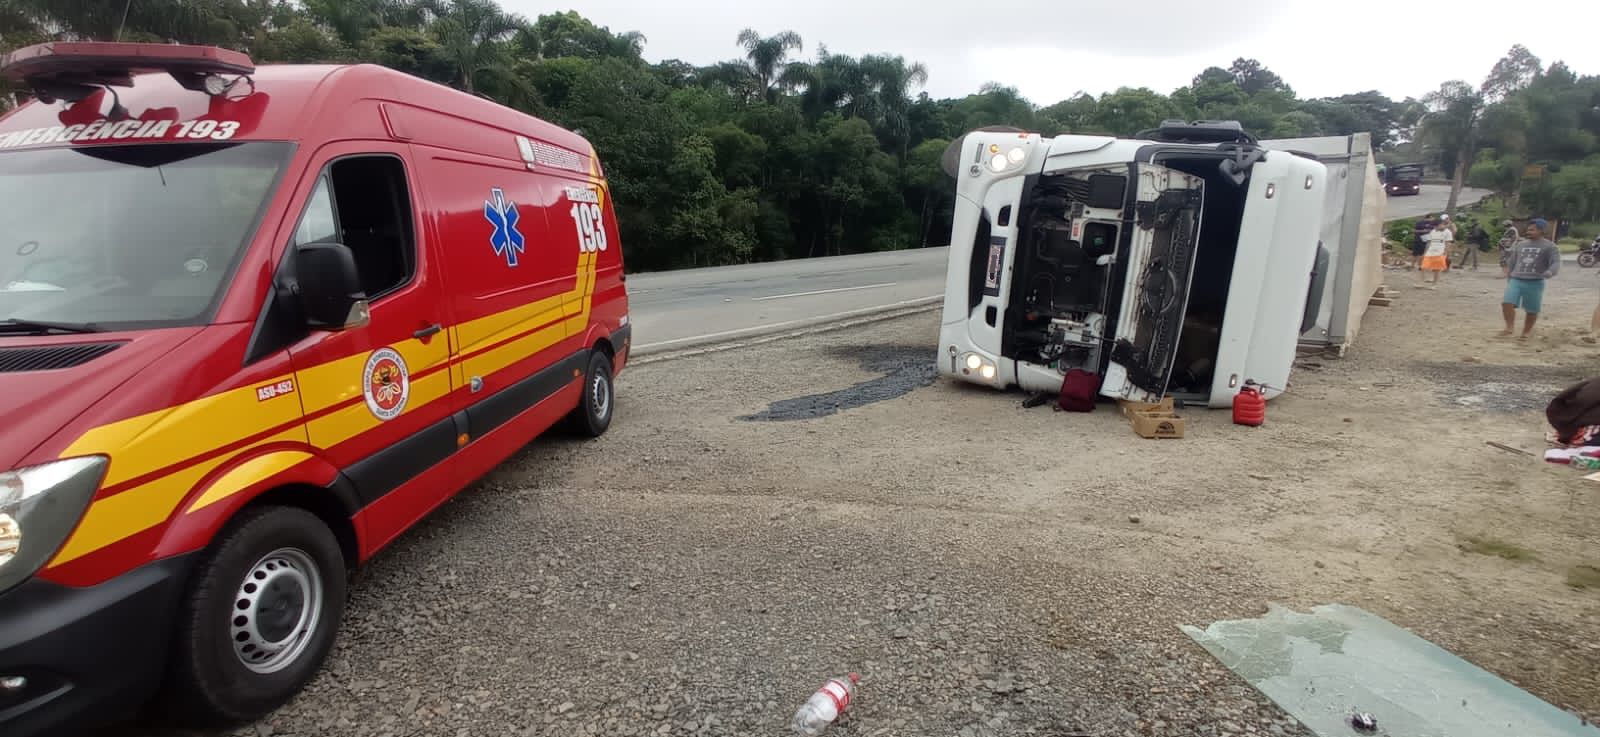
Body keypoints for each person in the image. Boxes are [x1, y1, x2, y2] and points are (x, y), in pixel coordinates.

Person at [1501, 218, 1561, 340]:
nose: (1528, 231)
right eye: (1528, 229)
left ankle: (1526, 332)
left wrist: (1550, 272)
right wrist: (1509, 275)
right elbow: (1512, 261)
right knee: (1507, 302)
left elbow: (1555, 263)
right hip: (1516, 279)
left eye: (1532, 230)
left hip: (1535, 281)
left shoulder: (1550, 247)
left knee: (1532, 309)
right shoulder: (1520, 244)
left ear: (1541, 231)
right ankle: (1509, 328)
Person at [1419, 220, 1451, 286]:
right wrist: (1425, 252)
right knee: (1423, 266)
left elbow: (1448, 243)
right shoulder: (1432, 231)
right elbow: (1429, 242)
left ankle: (1434, 284)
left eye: (1436, 226)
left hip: (1440, 251)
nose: (1435, 227)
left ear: (1441, 224)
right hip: (1430, 251)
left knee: (1437, 268)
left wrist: (1446, 252)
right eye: (1434, 226)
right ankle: (1422, 282)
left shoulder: (1447, 232)